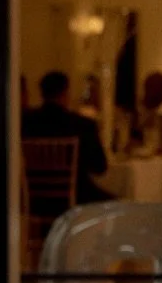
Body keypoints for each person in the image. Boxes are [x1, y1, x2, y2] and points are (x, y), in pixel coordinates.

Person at [21, 69, 110, 205]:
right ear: (65, 93)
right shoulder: (83, 125)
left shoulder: (25, 123)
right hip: (77, 197)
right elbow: (100, 167)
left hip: (35, 200)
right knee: (118, 205)